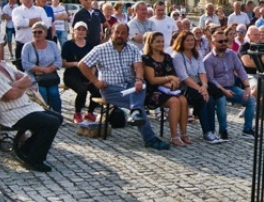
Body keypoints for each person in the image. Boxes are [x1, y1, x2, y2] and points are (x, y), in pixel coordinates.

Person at [75, 22, 169, 151]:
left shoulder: (133, 48)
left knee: (142, 84)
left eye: (123, 33)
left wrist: (139, 79)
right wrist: (96, 82)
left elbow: (138, 66)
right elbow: (82, 64)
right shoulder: (100, 49)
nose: (120, 35)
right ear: (111, 33)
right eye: (117, 32)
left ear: (127, 35)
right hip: (111, 88)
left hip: (130, 86)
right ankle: (149, 137)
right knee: (138, 107)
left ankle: (135, 113)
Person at [0, 38, 62, 171]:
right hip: (11, 113)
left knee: (58, 117)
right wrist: (20, 86)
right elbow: (10, 95)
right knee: (51, 122)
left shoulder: (3, 65)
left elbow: (28, 79)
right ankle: (34, 159)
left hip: (25, 107)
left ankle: (26, 149)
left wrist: (13, 85)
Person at [201, 29, 256, 141]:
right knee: (221, 101)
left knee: (251, 100)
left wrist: (247, 87)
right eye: (220, 41)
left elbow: (240, 70)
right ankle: (223, 131)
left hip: (231, 87)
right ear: (213, 43)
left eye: (225, 41)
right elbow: (211, 79)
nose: (224, 43)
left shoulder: (231, 54)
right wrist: (223, 90)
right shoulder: (208, 60)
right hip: (217, 90)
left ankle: (247, 129)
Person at [140, 31, 190, 146]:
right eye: (158, 42)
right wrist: (169, 78)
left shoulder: (167, 57)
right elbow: (152, 80)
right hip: (152, 91)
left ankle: (184, 133)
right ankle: (174, 136)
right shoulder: (146, 58)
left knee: (183, 100)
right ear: (151, 43)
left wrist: (172, 82)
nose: (161, 44)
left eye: (162, 41)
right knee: (175, 101)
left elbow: (174, 76)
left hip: (167, 89)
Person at [173, 30, 215, 142]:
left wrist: (204, 86)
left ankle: (212, 131)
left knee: (210, 99)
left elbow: (202, 72)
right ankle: (206, 132)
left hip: (198, 84)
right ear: (181, 42)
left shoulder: (197, 54)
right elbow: (184, 77)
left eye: (192, 40)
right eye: (187, 40)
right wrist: (201, 90)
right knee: (202, 99)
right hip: (184, 87)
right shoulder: (177, 56)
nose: (190, 42)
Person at [20, 21, 64, 117]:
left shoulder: (52, 45)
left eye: (39, 32)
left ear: (45, 33)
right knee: (42, 92)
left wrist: (49, 69)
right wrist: (41, 69)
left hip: (50, 76)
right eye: (34, 32)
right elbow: (25, 64)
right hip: (34, 76)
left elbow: (59, 61)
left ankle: (57, 116)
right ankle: (44, 116)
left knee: (54, 93)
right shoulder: (27, 47)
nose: (37, 34)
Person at [62, 22, 97, 125]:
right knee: (82, 90)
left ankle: (90, 112)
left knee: (97, 89)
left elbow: (94, 64)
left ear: (86, 32)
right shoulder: (68, 45)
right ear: (74, 31)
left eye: (83, 29)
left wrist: (92, 76)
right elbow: (63, 63)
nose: (81, 32)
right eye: (78, 29)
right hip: (71, 75)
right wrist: (76, 64)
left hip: (86, 74)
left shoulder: (89, 45)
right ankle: (77, 113)